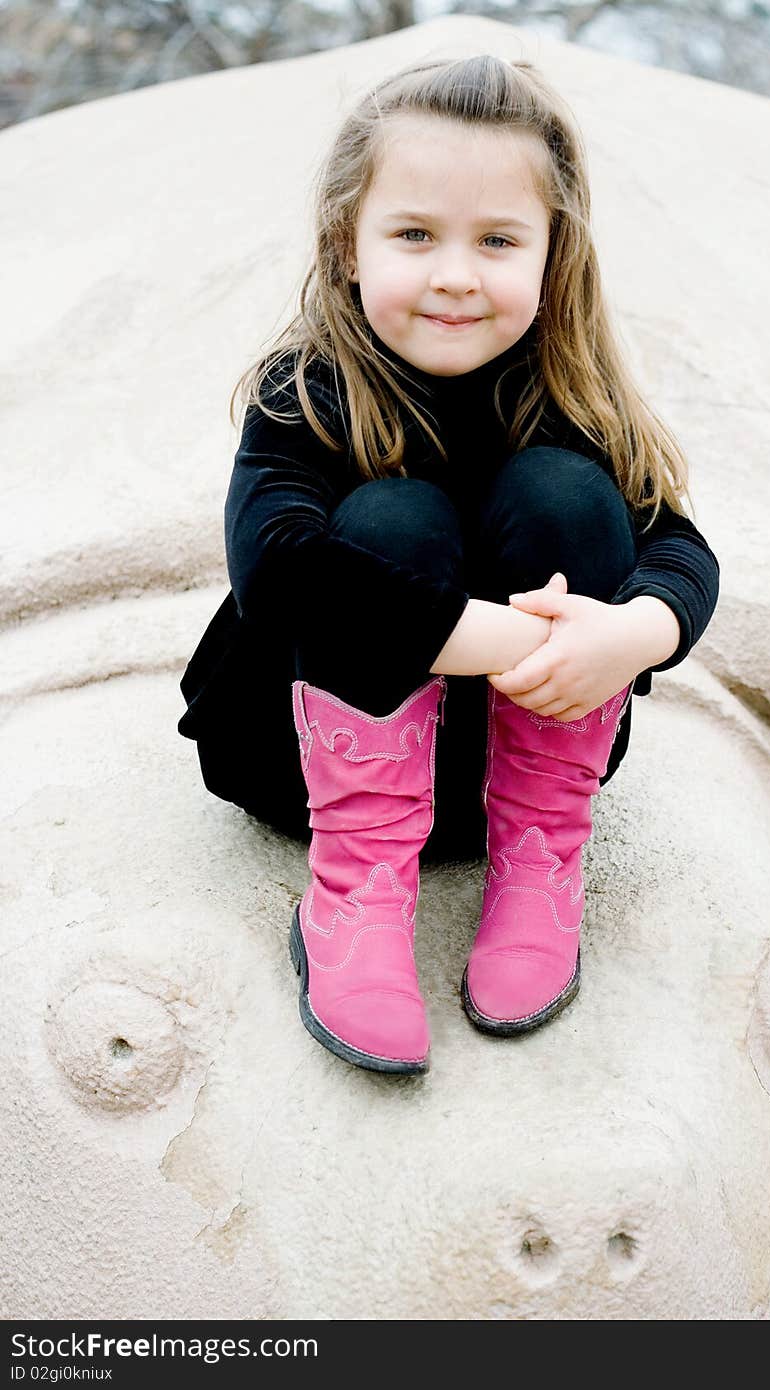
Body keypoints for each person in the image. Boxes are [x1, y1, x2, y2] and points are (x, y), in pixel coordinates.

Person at [178, 53, 720, 1077]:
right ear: (349, 244)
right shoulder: (310, 388)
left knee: (567, 493)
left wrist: (629, 633)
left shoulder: (571, 392)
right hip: (300, 762)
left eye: (498, 239)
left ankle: (538, 870)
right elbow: (275, 568)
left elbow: (678, 550)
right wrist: (518, 637)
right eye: (415, 234)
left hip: (497, 772)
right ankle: (356, 902)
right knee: (389, 516)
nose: (456, 274)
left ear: (553, 256)